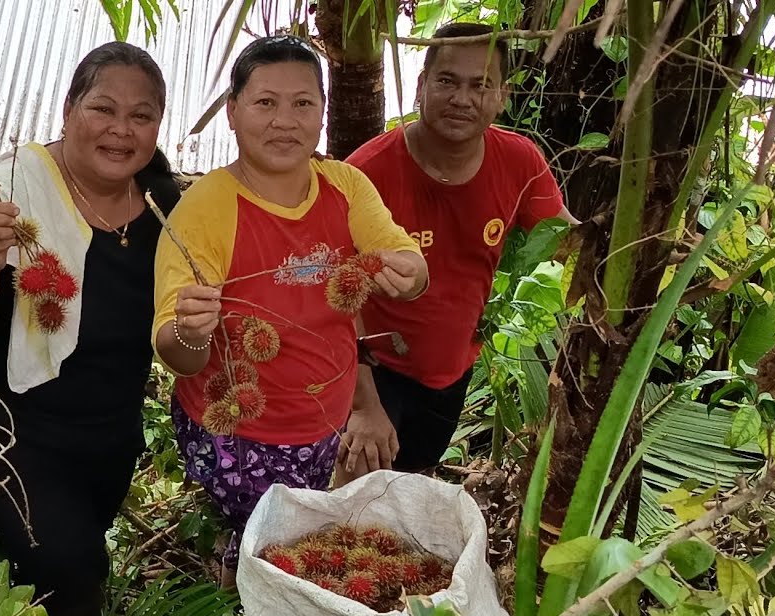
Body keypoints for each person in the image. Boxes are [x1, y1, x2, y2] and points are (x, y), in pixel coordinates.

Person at [0, 42, 180, 616]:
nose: (121, 130)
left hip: (109, 434)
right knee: (72, 584)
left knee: (55, 566)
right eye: (103, 109)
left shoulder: (165, 207)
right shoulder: (6, 195)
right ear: (69, 109)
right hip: (12, 429)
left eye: (141, 116)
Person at [151, 35, 429, 581]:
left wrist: (410, 273)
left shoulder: (344, 186)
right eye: (265, 103)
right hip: (238, 432)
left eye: (303, 103)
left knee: (319, 542)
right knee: (274, 553)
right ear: (232, 113)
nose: (285, 120)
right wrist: (191, 333)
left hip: (325, 420)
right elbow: (176, 355)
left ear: (323, 114)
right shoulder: (205, 210)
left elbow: (404, 258)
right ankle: (242, 572)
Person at [336, 22, 577, 480]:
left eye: (480, 85)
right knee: (350, 498)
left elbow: (568, 244)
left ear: (502, 96)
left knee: (408, 493)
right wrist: (363, 405)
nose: (462, 98)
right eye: (447, 81)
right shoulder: (366, 173)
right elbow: (330, 295)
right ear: (422, 85)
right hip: (370, 370)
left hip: (451, 372)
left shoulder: (520, 162)